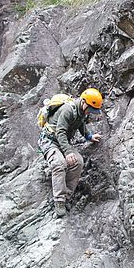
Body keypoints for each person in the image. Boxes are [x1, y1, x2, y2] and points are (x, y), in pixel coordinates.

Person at [38, 88, 103, 217]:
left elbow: (80, 124)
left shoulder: (82, 112)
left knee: (78, 162)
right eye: (90, 109)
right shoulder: (68, 110)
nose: (90, 112)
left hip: (62, 142)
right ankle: (59, 201)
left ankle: (66, 196)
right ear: (84, 102)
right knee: (59, 164)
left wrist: (89, 136)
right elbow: (60, 132)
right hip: (49, 141)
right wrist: (68, 152)